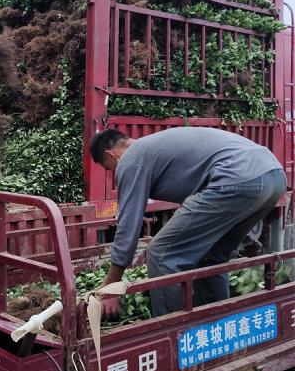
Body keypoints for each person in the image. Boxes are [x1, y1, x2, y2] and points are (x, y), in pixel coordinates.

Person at [89, 127, 286, 317]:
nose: (115, 174)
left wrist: (112, 281)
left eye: (109, 168)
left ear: (111, 155)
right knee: (211, 255)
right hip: (274, 176)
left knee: (161, 254)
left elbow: (127, 225)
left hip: (237, 180)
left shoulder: (130, 160)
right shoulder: (155, 147)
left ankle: (171, 336)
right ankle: (213, 326)